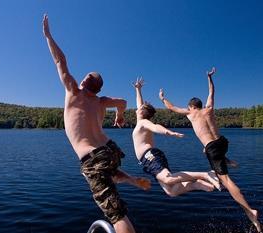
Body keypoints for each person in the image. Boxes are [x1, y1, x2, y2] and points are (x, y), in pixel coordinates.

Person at [43, 14, 151, 233]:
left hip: (92, 157)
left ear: (83, 82)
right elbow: (123, 101)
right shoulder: (102, 101)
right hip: (110, 150)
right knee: (107, 172)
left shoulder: (74, 91)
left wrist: (47, 35)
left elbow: (60, 61)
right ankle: (130, 179)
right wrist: (119, 116)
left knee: (116, 215)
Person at [159, 68, 262, 232]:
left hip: (213, 148)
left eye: (189, 107)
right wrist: (209, 78)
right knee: (207, 150)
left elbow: (172, 108)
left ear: (192, 106)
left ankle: (250, 211)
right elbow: (211, 91)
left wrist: (163, 98)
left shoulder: (190, 114)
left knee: (226, 181)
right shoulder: (209, 109)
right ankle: (226, 159)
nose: (188, 109)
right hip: (222, 142)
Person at [132, 77, 222, 197]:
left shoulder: (144, 122)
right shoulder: (140, 120)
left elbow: (156, 127)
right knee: (171, 191)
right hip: (146, 160)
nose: (138, 108)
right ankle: (196, 185)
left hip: (150, 155)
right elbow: (140, 103)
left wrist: (168, 132)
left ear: (142, 113)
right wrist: (138, 89)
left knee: (168, 180)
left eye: (140, 108)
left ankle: (206, 175)